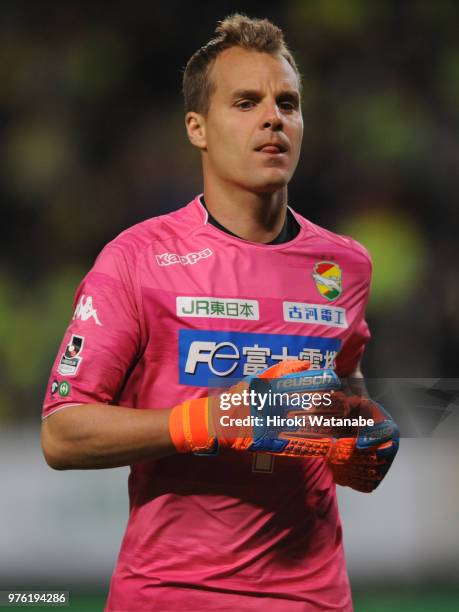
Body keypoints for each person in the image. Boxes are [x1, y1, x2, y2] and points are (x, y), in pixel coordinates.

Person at [41, 14, 397, 611]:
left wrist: (357, 441)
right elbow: (62, 433)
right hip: (170, 595)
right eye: (246, 102)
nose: (273, 118)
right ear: (197, 128)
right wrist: (209, 419)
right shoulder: (136, 260)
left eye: (288, 102)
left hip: (312, 596)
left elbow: (340, 399)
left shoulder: (346, 267)